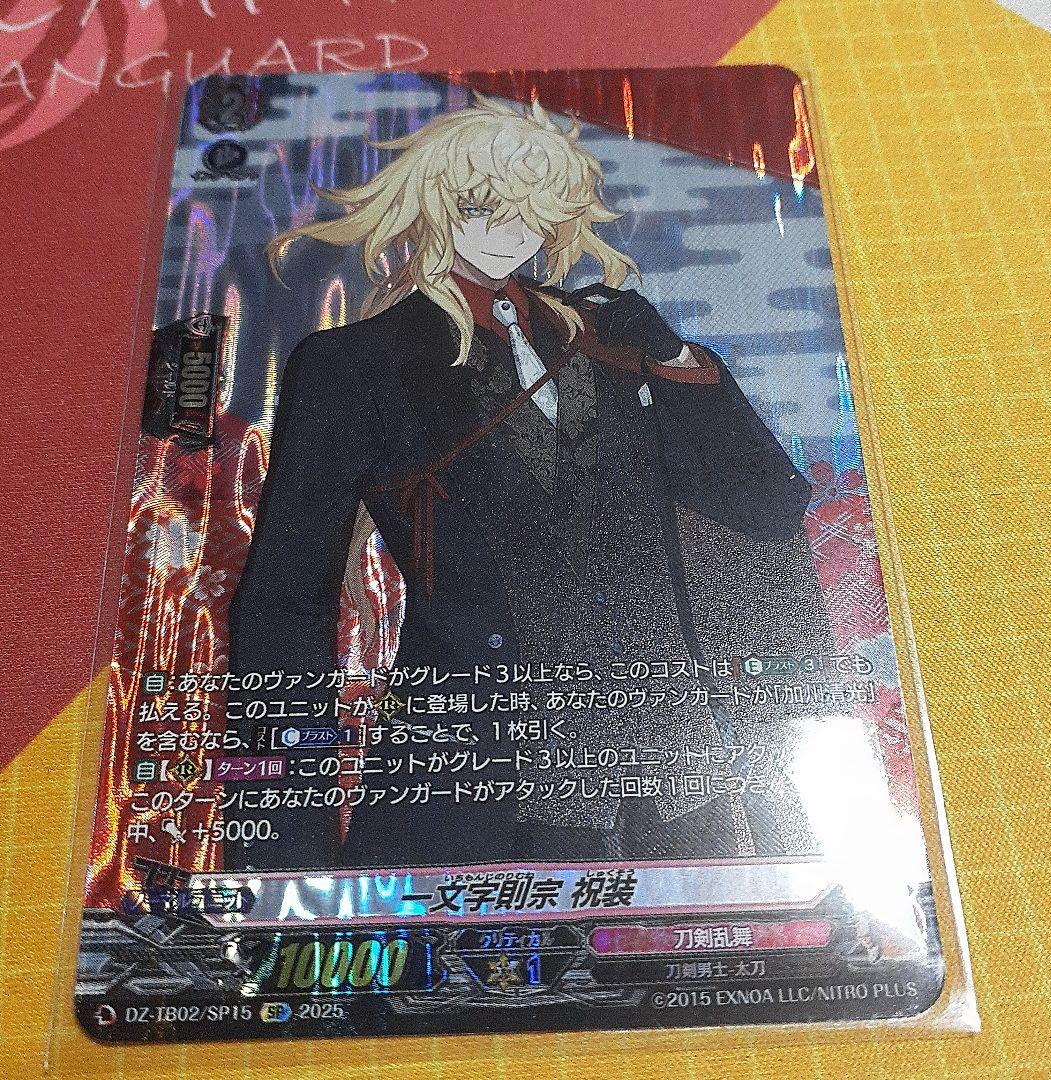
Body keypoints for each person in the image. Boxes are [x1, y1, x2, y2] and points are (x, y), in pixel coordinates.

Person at [226, 95, 824, 873]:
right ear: (431, 202)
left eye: (532, 208)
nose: (508, 229)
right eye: (482, 205)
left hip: (669, 780)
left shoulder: (602, 333)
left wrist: (677, 364)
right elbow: (285, 599)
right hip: (475, 773)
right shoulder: (356, 365)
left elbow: (765, 506)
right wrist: (282, 850)